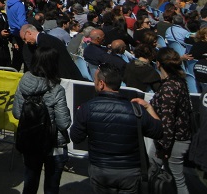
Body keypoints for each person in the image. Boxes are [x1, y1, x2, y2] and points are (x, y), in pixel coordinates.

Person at [70, 63, 163, 193]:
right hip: (130, 172)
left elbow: (75, 137)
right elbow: (159, 131)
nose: (94, 83)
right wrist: (149, 108)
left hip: (101, 170)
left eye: (95, 81)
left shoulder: (87, 108)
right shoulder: (136, 109)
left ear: (101, 84)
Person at [13, 46, 71, 194]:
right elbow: (63, 123)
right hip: (53, 143)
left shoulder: (23, 82)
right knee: (52, 187)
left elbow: (17, 113)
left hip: (30, 141)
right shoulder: (56, 90)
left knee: (30, 183)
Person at [149, 48, 193, 193]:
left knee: (177, 180)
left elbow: (168, 121)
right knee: (175, 179)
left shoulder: (169, 87)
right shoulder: (179, 81)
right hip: (178, 138)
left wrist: (163, 148)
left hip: (172, 140)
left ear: (158, 64)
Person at [20, 24, 84, 81]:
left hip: (65, 76)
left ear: (29, 33)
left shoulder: (45, 43)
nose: (26, 42)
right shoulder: (46, 39)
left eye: (24, 39)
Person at [7, 0, 28, 71]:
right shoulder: (19, 5)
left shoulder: (9, 4)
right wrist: (29, 28)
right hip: (21, 34)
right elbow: (21, 22)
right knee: (25, 58)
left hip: (13, 33)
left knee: (16, 60)